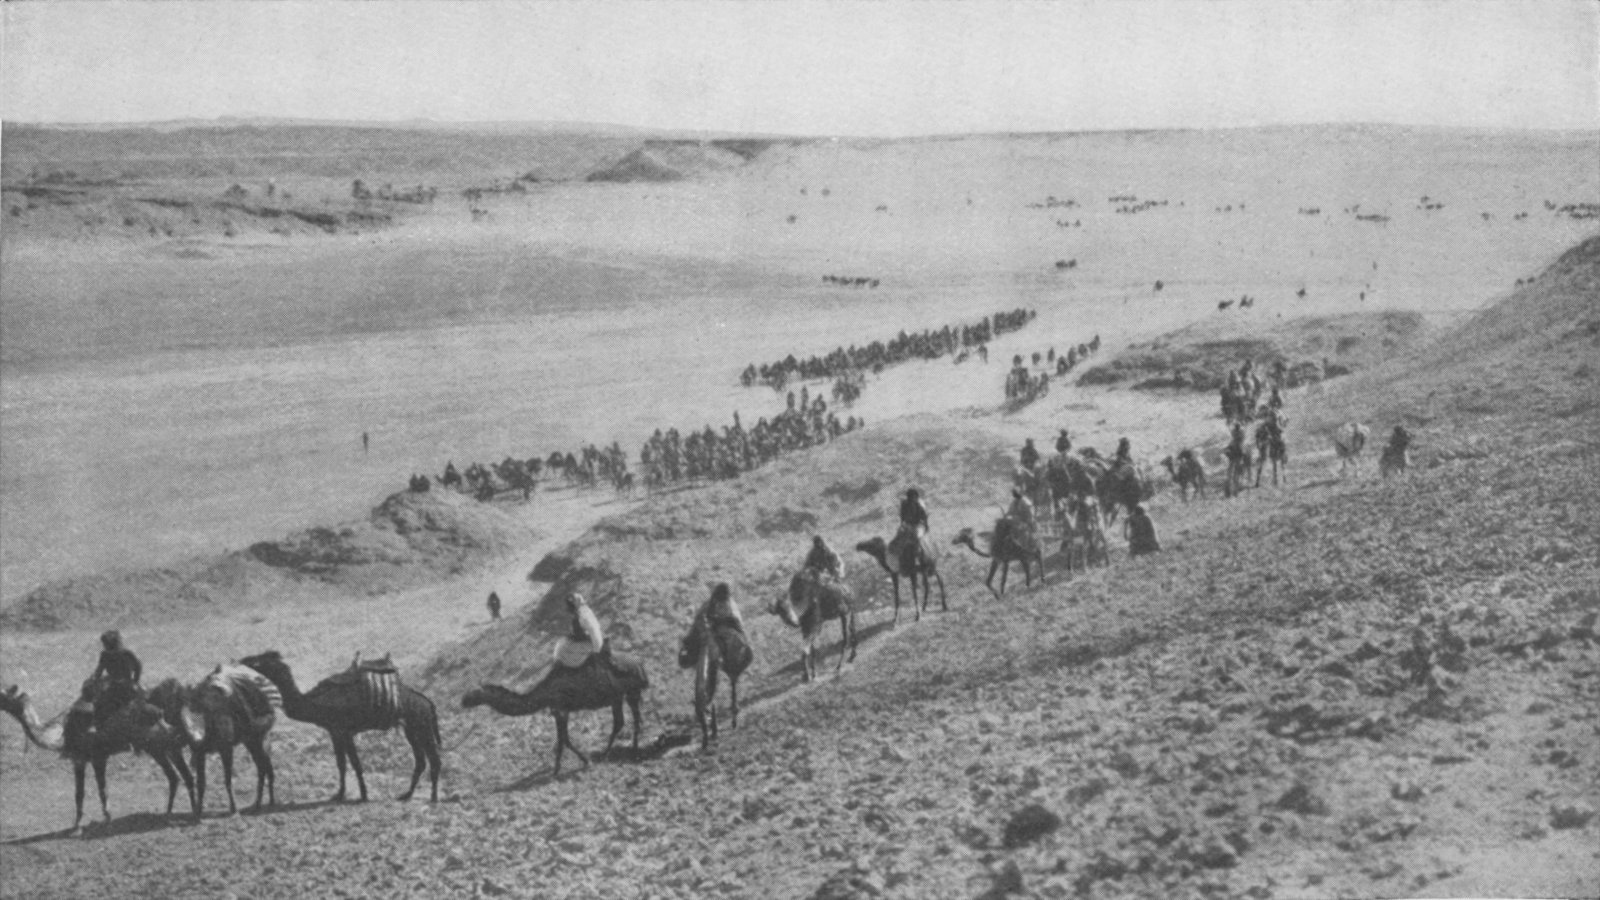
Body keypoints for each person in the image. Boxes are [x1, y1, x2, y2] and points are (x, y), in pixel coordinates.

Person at [89, 629, 142, 730]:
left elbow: (99, 671)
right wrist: (136, 681)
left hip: (120, 685)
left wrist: (95, 681)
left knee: (99, 705)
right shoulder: (126, 653)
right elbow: (138, 666)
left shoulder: (106, 655)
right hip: (125, 684)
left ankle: (97, 726)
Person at [552, 593, 605, 670]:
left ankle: (562, 666)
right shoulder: (586, 610)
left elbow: (581, 636)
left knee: (560, 646)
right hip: (596, 641)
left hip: (593, 646)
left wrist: (571, 636)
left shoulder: (579, 618)